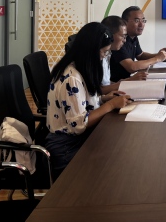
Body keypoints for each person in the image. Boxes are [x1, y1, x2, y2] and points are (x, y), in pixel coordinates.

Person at [45, 22, 130, 178]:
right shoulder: (71, 78)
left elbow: (82, 102)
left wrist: (103, 99)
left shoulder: (80, 68)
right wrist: (111, 105)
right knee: (113, 165)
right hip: (66, 147)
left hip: (77, 140)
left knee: (119, 151)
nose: (104, 56)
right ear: (91, 51)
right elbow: (79, 125)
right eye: (104, 52)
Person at [110, 6, 166, 82]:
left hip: (126, 81)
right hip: (115, 83)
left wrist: (160, 55)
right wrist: (157, 59)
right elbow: (131, 67)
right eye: (137, 20)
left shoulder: (133, 36)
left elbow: (140, 55)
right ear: (125, 22)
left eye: (143, 20)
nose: (141, 24)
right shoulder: (119, 41)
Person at [99, 15, 148, 94]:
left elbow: (106, 83)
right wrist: (129, 81)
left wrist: (125, 81)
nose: (125, 41)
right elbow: (100, 90)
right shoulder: (99, 56)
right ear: (110, 35)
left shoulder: (108, 54)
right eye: (123, 36)